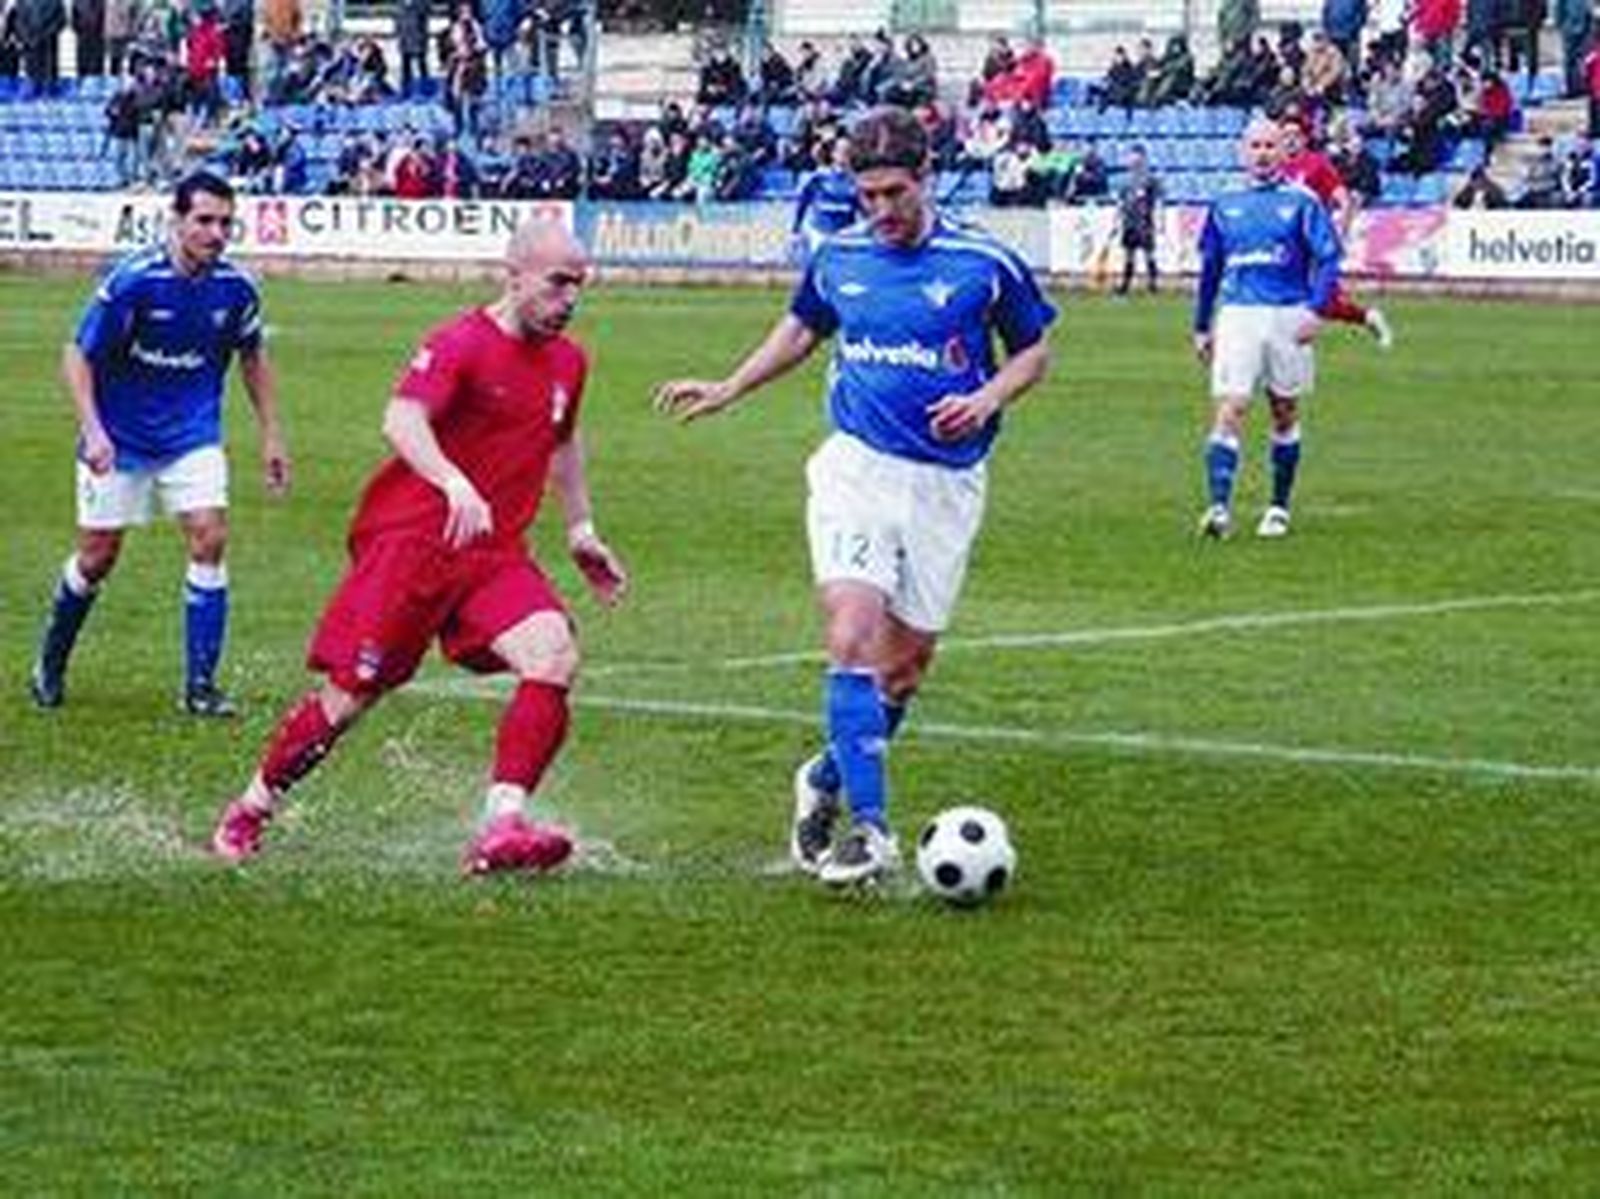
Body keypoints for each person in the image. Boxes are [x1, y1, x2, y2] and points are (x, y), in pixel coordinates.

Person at [653, 108, 1054, 887]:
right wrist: (730, 386)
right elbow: (803, 329)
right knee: (850, 633)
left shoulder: (985, 260)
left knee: (902, 673)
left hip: (946, 483)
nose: (880, 210)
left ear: (926, 174)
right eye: (865, 194)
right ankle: (871, 832)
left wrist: (988, 398)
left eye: (893, 192)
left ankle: (826, 778)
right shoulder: (838, 255)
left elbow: (1033, 349)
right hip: (856, 470)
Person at [209, 219, 628, 872]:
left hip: (493, 554)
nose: (570, 298)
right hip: (411, 548)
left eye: (579, 285)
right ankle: (252, 807)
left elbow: (564, 439)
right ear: (513, 274)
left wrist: (581, 529)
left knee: (553, 655)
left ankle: (502, 823)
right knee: (350, 697)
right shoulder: (459, 342)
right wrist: (451, 479)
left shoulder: (570, 361)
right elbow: (401, 418)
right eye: (557, 283)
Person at [29, 171, 290, 715]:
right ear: (176, 219)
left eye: (225, 222)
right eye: (204, 220)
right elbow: (76, 354)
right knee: (98, 557)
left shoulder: (236, 288)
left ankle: (199, 688)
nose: (216, 233)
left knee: (209, 537)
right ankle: (49, 663)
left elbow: (253, 354)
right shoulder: (134, 281)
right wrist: (94, 429)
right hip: (119, 438)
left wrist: (271, 434)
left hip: (192, 436)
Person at [1193, 117, 1341, 541]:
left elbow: (1329, 258)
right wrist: (1202, 325)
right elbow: (1210, 267)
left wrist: (1316, 309)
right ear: (1243, 152)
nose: (1262, 153)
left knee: (1284, 409)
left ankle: (1278, 507)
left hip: (1288, 314)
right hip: (1238, 313)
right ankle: (1219, 509)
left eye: (1269, 146)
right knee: (1232, 406)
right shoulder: (1225, 202)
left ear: (1282, 151)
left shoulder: (1302, 201)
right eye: (1254, 145)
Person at [1280, 113, 1394, 348]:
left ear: (1304, 139)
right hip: (1285, 241)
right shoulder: (1277, 166)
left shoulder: (1317, 164)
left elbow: (1343, 198)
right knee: (1317, 299)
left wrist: (1341, 230)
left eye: (1295, 135)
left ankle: (1364, 318)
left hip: (1312, 240)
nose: (1290, 140)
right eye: (1286, 135)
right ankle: (1367, 318)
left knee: (1322, 300)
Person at [1113, 144, 1162, 295]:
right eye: (1131, 156)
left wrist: (1160, 219)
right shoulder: (1125, 181)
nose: (1133, 159)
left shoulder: (1150, 179)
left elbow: (1157, 200)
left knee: (1149, 253)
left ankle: (1153, 284)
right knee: (1129, 254)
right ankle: (1125, 285)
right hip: (1129, 221)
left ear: (1143, 157)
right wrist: (1116, 220)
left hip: (1144, 221)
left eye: (1136, 155)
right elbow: (1121, 202)